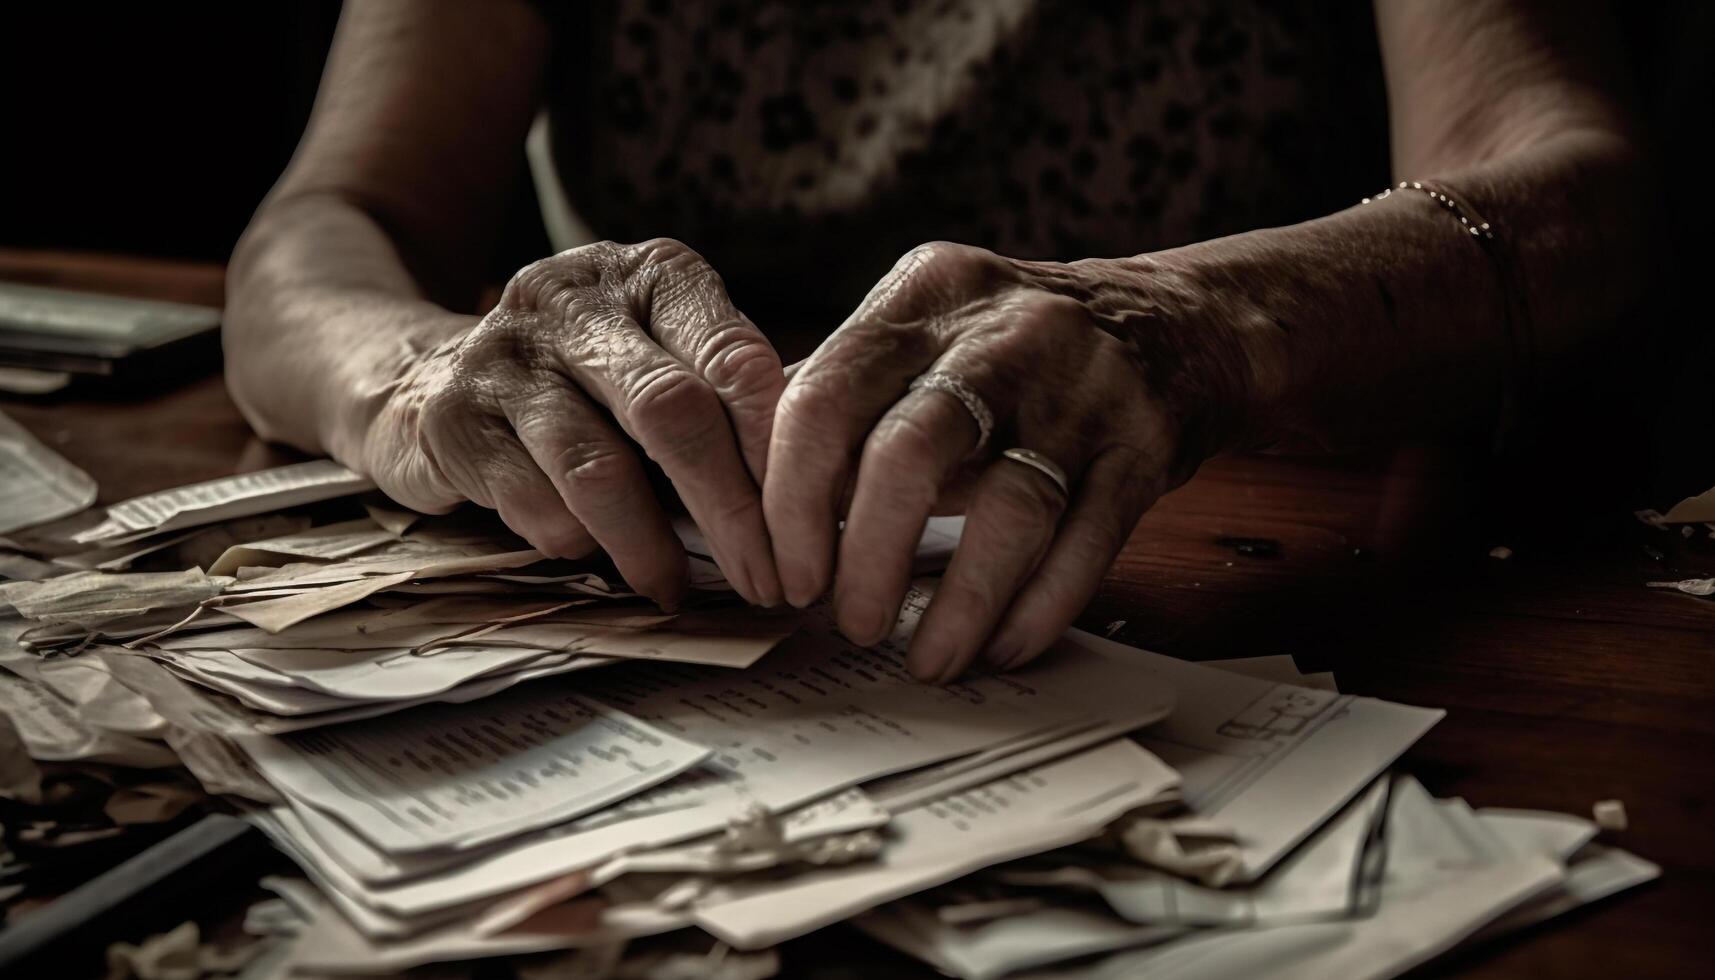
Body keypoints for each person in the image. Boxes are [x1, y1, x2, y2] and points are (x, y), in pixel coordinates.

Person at [225, 0, 1649, 683]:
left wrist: (1192, 322)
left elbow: (1578, 197)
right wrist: (417, 379)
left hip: (1240, 563)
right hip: (687, 604)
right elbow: (323, 228)